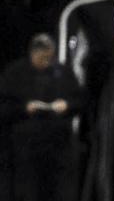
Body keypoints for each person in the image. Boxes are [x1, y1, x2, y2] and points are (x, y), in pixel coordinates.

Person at [0, 33, 81, 201]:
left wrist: (67, 105)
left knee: (61, 190)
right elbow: (5, 106)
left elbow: (81, 100)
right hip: (26, 146)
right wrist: (24, 108)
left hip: (59, 145)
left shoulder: (63, 72)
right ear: (32, 53)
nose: (46, 62)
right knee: (30, 190)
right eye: (43, 58)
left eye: (50, 58)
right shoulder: (14, 74)